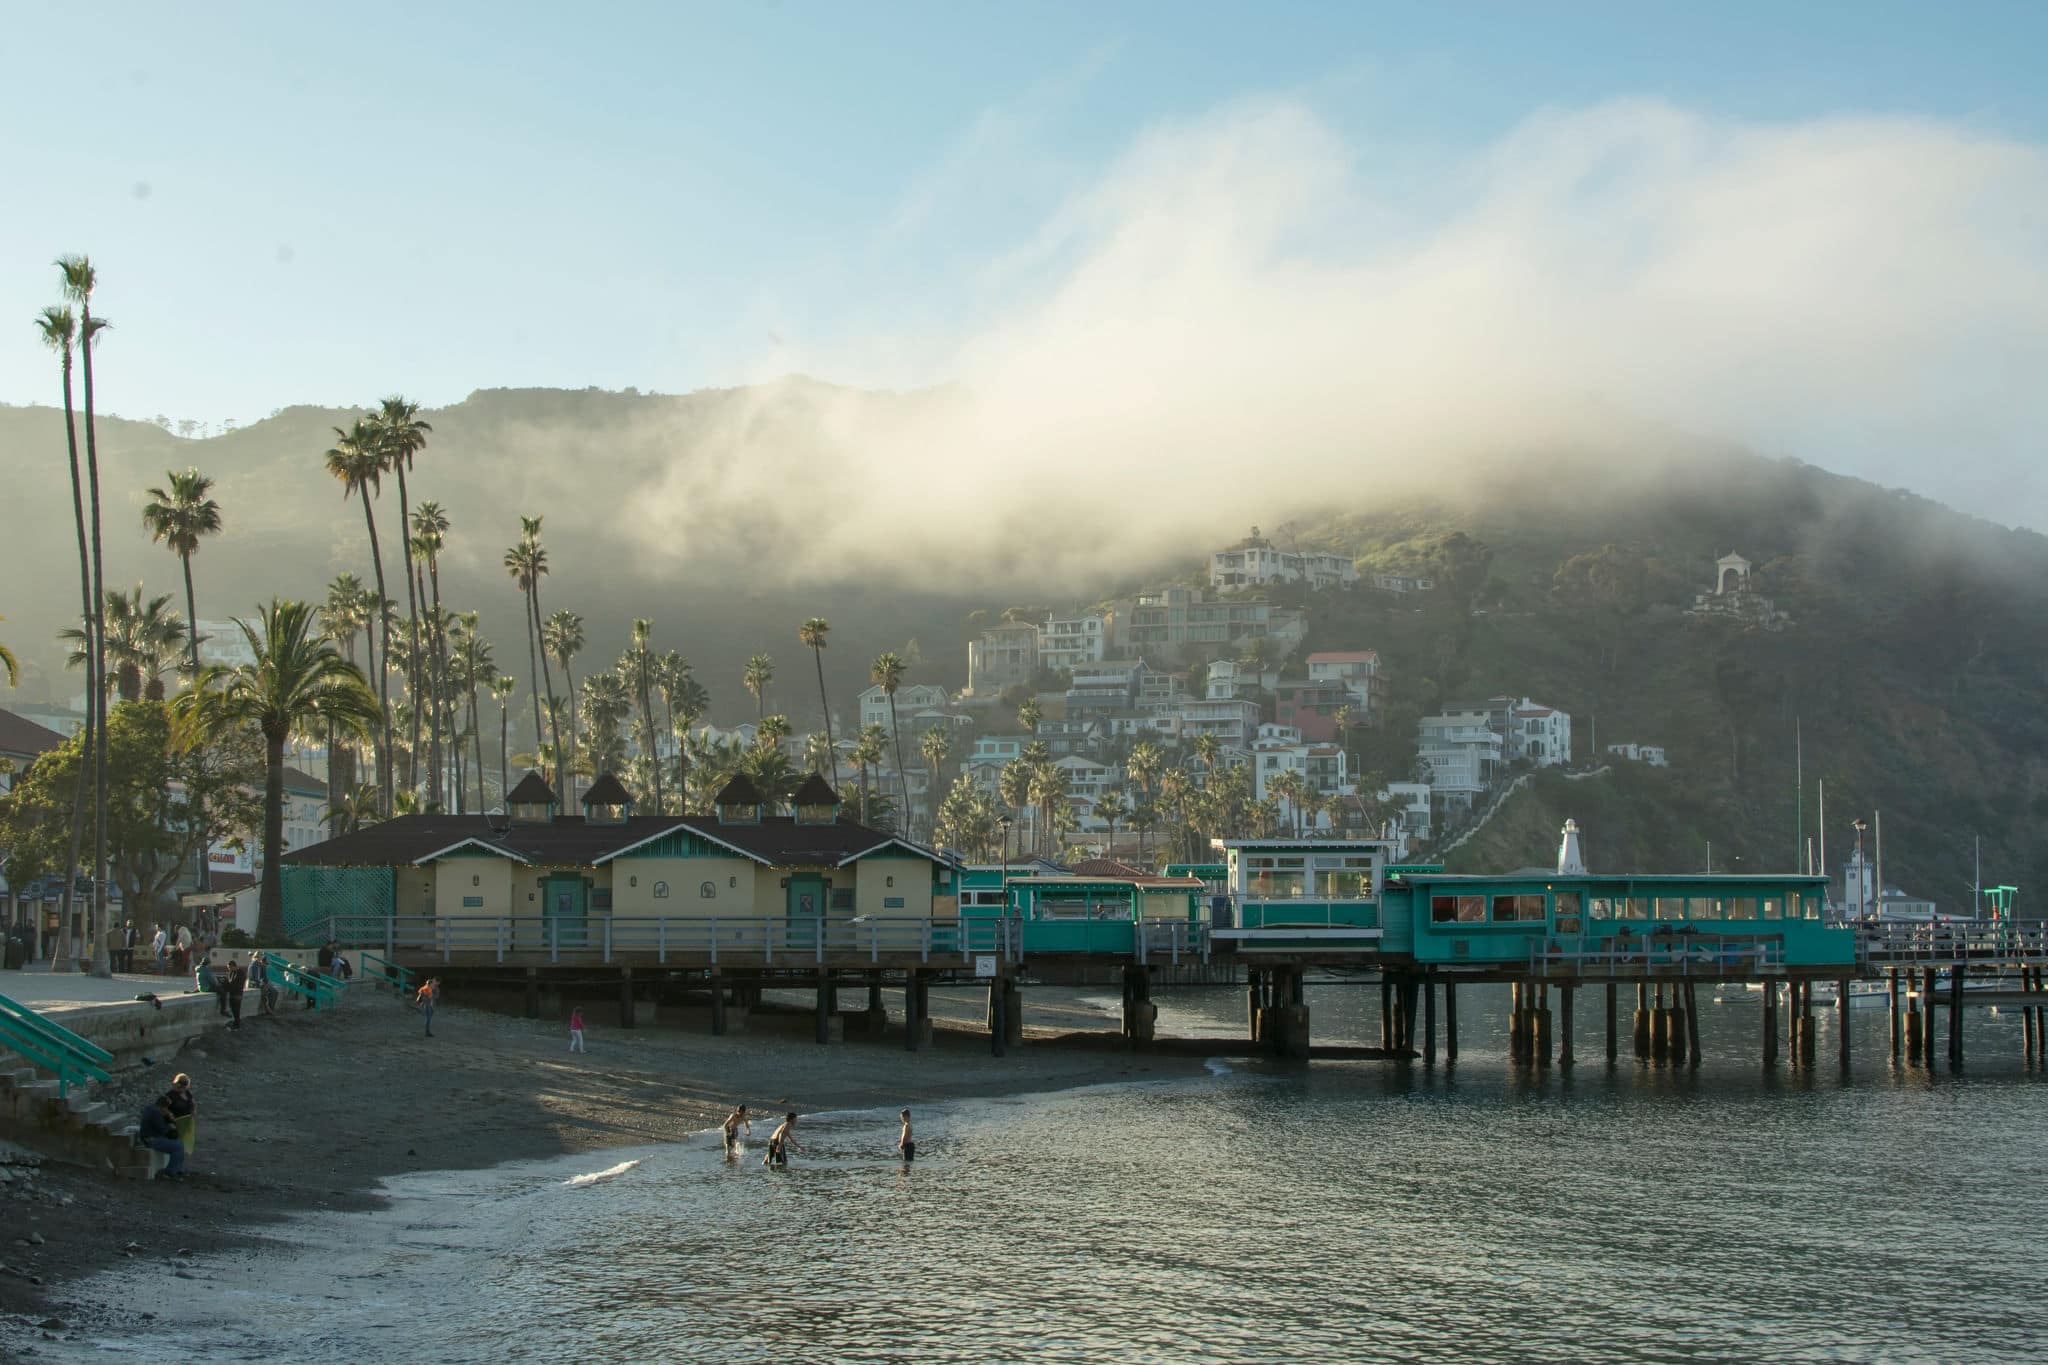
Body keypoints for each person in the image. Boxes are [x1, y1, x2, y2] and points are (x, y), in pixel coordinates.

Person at [138, 1096, 185, 1180]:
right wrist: (171, 1123)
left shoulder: (151, 1109)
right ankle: (170, 1173)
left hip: (150, 1137)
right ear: (163, 1107)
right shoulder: (155, 1113)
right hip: (151, 1140)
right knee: (178, 1147)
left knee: (179, 1143)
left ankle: (178, 1169)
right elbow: (165, 1131)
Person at [162, 1074, 196, 1157]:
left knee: (184, 1143)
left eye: (182, 1087)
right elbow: (162, 1107)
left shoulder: (187, 1093)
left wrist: (193, 1111)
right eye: (178, 1086)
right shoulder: (170, 1095)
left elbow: (192, 1103)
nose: (180, 1089)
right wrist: (170, 1116)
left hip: (185, 1122)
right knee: (175, 1143)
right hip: (173, 1123)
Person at [224, 958, 247, 1030]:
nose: (229, 969)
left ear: (233, 966)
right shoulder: (232, 972)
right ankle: (236, 1024)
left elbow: (238, 984)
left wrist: (228, 985)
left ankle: (237, 1025)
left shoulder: (240, 973)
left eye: (229, 967)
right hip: (233, 994)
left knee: (236, 1010)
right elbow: (230, 982)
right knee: (234, 1010)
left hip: (237, 994)